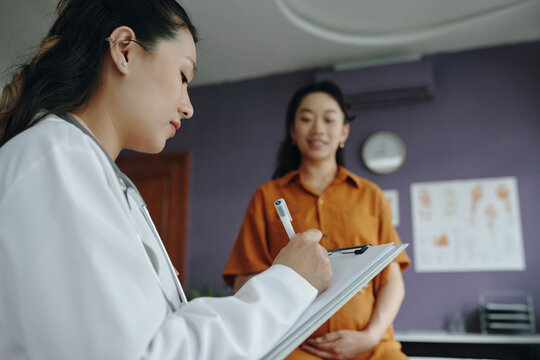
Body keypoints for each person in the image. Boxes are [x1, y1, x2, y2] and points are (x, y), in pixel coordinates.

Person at [0, 1, 332, 359]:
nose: (188, 107)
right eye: (183, 76)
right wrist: (288, 282)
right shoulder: (57, 161)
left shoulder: (87, 170)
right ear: (124, 50)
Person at [223, 81, 411, 360]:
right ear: (292, 131)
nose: (318, 129)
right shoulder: (267, 197)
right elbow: (243, 281)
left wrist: (370, 336)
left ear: (344, 131)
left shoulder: (370, 195)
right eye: (306, 119)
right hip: (294, 348)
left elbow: (392, 280)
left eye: (329, 119)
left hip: (372, 349)